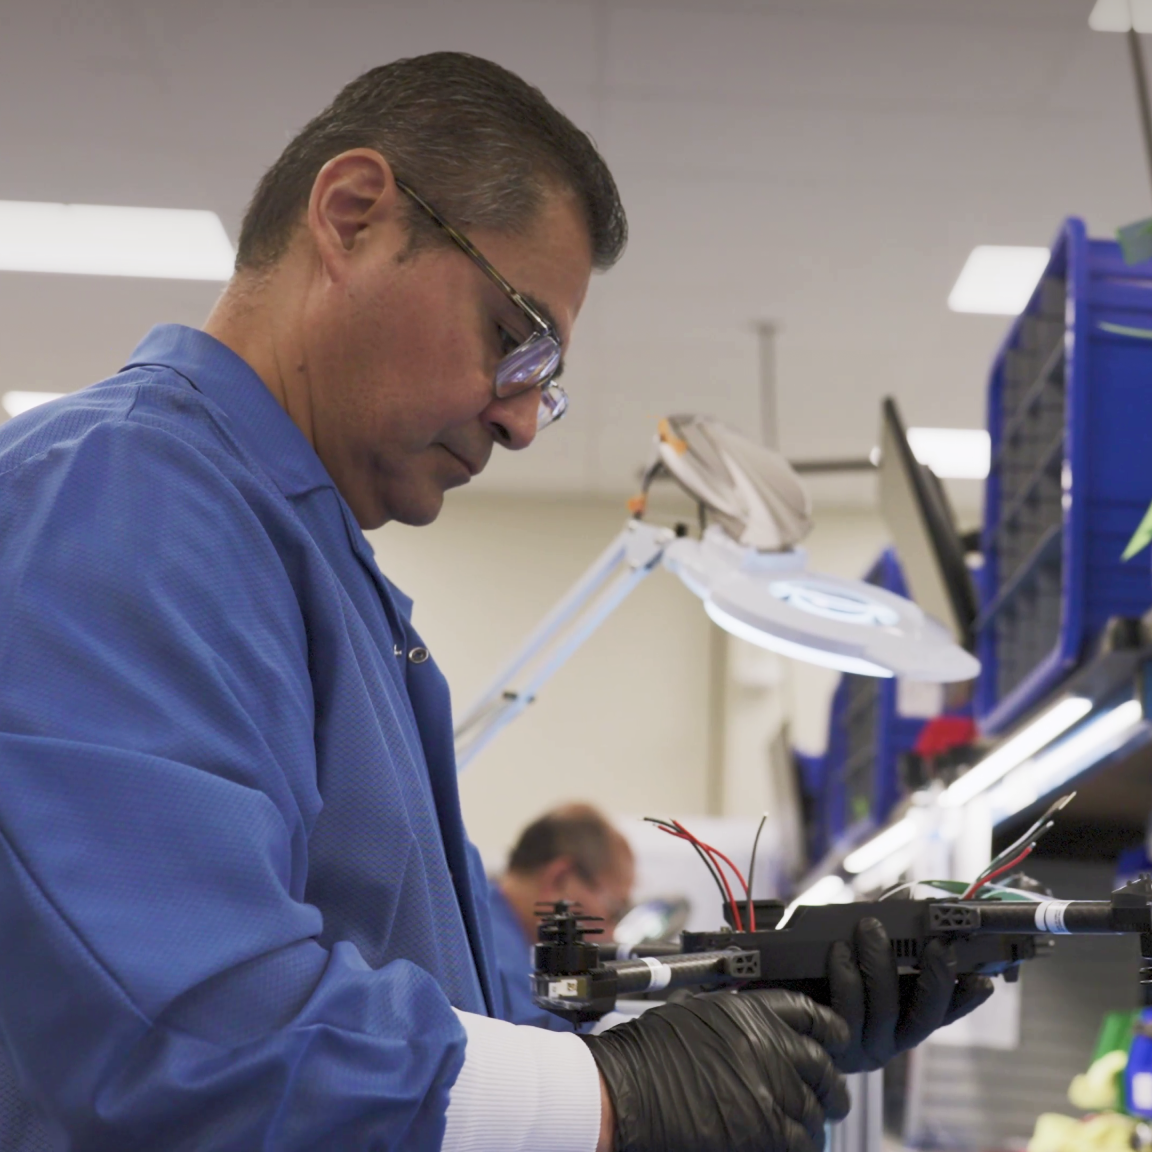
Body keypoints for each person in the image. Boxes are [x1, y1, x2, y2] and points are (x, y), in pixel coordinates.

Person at [0, 52, 992, 1152]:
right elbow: (180, 1027)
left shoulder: (326, 580)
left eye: (546, 383)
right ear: (355, 214)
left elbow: (468, 1026)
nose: (522, 422)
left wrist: (762, 1030)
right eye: (517, 336)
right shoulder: (117, 498)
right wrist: (620, 1100)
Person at [488, 804, 634, 1030]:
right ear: (560, 879)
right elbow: (559, 1014)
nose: (612, 932)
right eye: (613, 910)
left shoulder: (489, 916)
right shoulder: (496, 955)